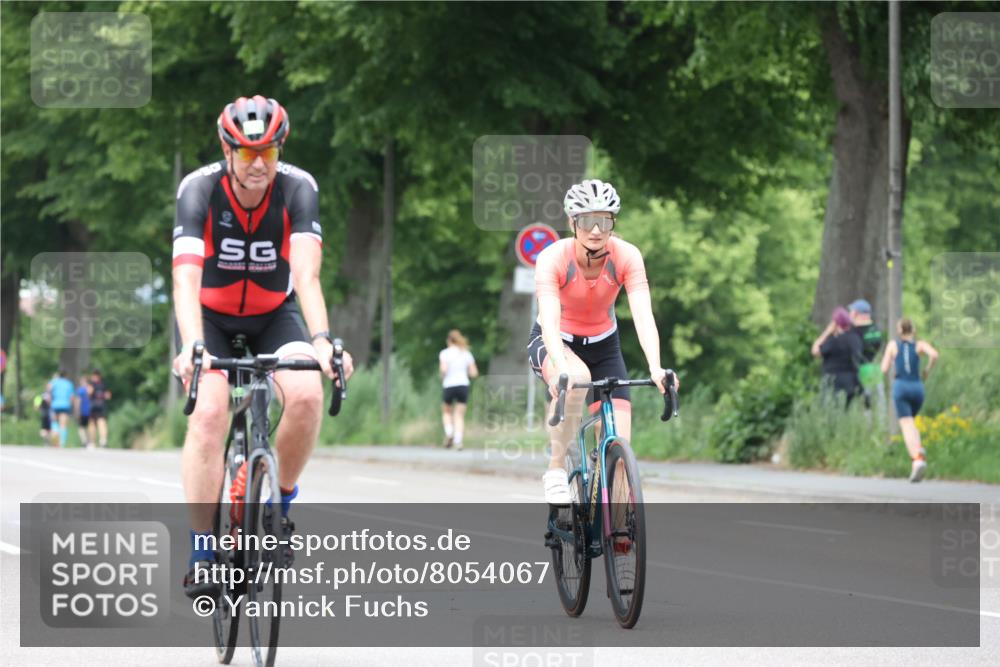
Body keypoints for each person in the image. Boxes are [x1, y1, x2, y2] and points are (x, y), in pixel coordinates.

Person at [172, 95, 353, 598]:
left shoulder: (298, 188)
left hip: (275, 314)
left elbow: (306, 275)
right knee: (209, 414)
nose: (259, 165)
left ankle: (278, 509)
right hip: (209, 318)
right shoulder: (198, 189)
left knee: (308, 394)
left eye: (268, 153)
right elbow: (185, 280)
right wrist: (192, 345)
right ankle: (202, 550)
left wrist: (322, 341)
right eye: (248, 153)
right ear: (227, 151)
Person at [528, 179, 677, 505]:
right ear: (572, 222)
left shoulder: (627, 256)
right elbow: (550, 320)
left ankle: (617, 526)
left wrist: (655, 367)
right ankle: (556, 469)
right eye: (587, 221)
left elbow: (643, 315)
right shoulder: (553, 257)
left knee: (619, 446)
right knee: (577, 379)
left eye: (605, 221)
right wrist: (561, 367)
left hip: (604, 345)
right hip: (556, 340)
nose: (596, 230)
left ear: (613, 223)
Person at [880, 318, 939, 482]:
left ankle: (917, 459)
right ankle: (918, 449)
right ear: (913, 330)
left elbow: (884, 368)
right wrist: (927, 370)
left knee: (906, 424)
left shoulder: (893, 345)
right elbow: (934, 355)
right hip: (917, 387)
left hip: (901, 386)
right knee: (911, 422)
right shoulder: (919, 345)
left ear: (899, 331)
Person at [811, 307, 863, 406]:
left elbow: (815, 351)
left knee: (831, 410)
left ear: (835, 324)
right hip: (851, 382)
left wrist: (827, 332)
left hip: (832, 383)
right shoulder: (855, 338)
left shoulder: (833, 341)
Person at [439, 329, 478, 450]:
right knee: (459, 415)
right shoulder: (466, 353)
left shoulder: (445, 353)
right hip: (463, 385)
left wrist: (443, 376)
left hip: (449, 385)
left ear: (449, 340)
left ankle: (449, 432)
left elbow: (444, 370)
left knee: (446, 412)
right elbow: (474, 373)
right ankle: (458, 440)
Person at [848, 299, 884, 410]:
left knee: (865, 404)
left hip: (861, 370)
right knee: (879, 403)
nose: (850, 314)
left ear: (857, 313)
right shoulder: (875, 329)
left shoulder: (854, 331)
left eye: (852, 311)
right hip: (875, 368)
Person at [47, 370, 75, 448]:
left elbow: (48, 393)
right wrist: (71, 405)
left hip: (55, 405)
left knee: (54, 423)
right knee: (63, 425)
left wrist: (50, 403)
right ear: (66, 376)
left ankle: (55, 442)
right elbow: (72, 397)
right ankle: (62, 443)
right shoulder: (69, 384)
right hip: (65, 405)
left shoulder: (54, 382)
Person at [88, 370, 112, 448]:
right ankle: (103, 441)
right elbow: (108, 396)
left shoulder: (92, 384)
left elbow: (89, 393)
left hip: (94, 406)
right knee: (102, 423)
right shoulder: (104, 384)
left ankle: (92, 442)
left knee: (92, 424)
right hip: (102, 405)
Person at [74, 375, 94, 448]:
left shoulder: (80, 390)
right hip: (90, 410)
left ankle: (84, 441)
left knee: (81, 427)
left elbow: (78, 401)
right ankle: (90, 441)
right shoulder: (90, 389)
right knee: (89, 426)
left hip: (82, 410)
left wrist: (77, 411)